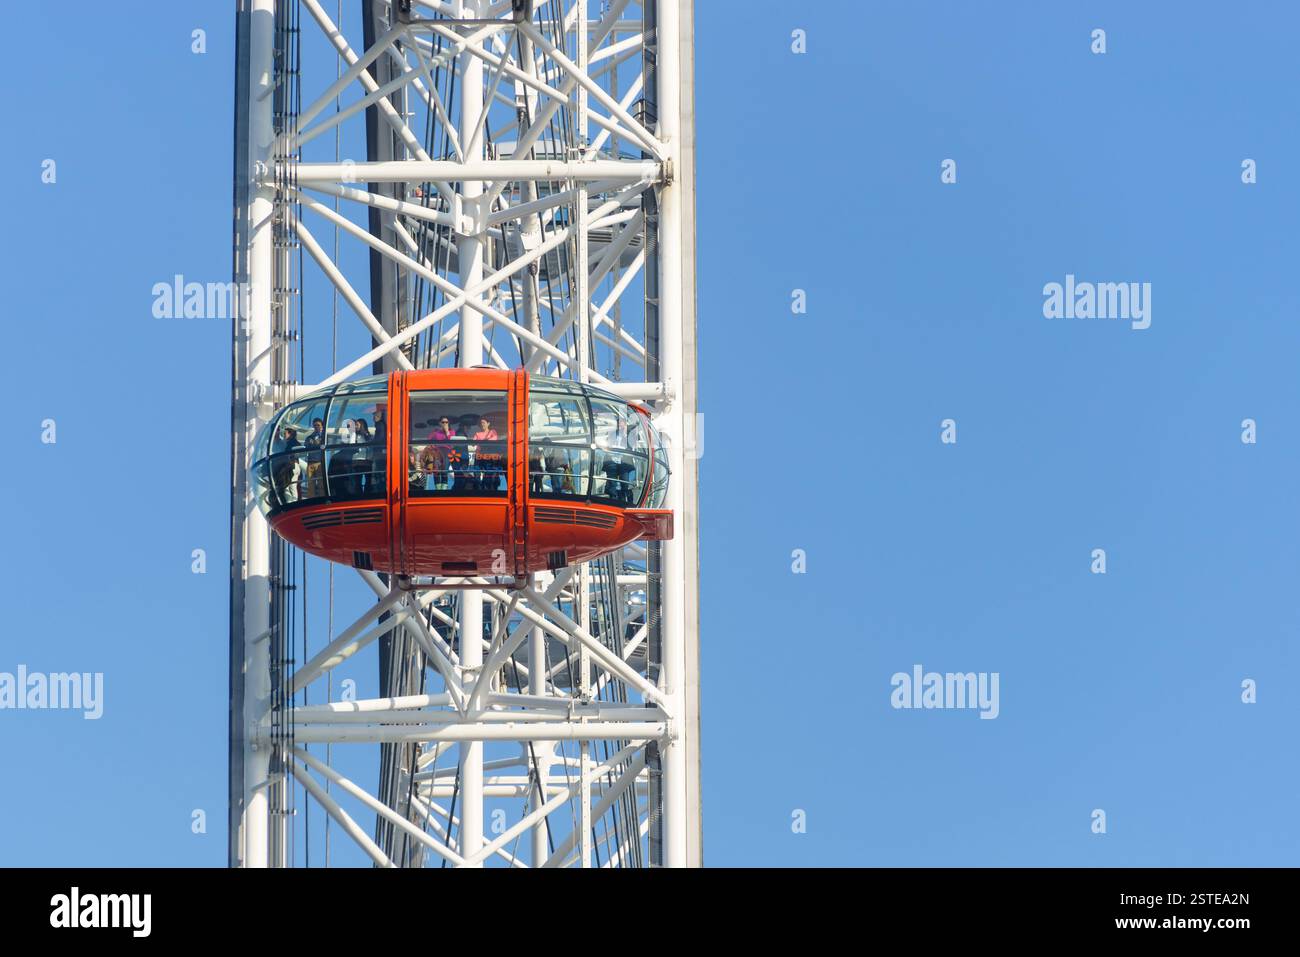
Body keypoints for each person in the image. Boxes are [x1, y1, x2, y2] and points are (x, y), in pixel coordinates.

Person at [273, 426, 302, 504]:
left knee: (291, 485)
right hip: (292, 466)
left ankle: (293, 502)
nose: (284, 435)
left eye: (285, 433)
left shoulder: (291, 443)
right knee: (289, 486)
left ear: (290, 434)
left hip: (292, 466)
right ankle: (291, 502)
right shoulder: (290, 443)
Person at [471, 415, 501, 490]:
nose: (482, 424)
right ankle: (479, 489)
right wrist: (485, 441)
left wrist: (481, 442)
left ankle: (486, 489)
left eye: (484, 423)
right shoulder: (477, 433)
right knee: (476, 474)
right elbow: (472, 443)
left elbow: (494, 440)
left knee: (488, 476)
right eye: (481, 423)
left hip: (489, 457)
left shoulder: (492, 431)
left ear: (488, 424)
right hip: (479, 457)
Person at [303, 417, 327, 498]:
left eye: (318, 425)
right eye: (315, 425)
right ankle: (311, 499)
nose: (316, 427)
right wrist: (310, 443)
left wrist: (319, 442)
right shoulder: (310, 437)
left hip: (319, 462)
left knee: (321, 484)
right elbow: (306, 446)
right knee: (310, 484)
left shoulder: (324, 437)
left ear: (322, 426)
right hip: (310, 462)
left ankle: (322, 499)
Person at [351, 418, 373, 496]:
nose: (356, 427)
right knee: (357, 481)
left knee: (368, 480)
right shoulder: (354, 435)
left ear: (362, 425)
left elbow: (370, 443)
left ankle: (367, 495)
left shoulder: (367, 435)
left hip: (367, 460)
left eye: (357, 425)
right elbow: (351, 445)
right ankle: (359, 496)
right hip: (357, 460)